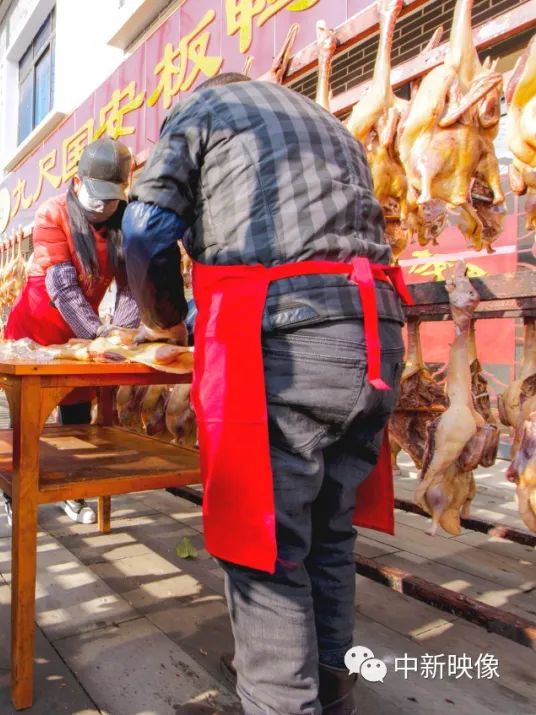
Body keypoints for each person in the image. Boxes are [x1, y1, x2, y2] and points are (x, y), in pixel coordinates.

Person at [122, 73, 409, 715]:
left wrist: (166, 319)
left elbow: (143, 229)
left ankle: (279, 699)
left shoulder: (200, 107)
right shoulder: (329, 122)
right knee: (329, 535)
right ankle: (330, 697)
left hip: (286, 342)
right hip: (375, 336)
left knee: (267, 548)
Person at [3, 137, 141, 525]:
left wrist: (121, 336)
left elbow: (130, 287)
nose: (102, 206)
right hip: (36, 331)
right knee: (28, 421)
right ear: (77, 181)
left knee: (78, 420)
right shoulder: (53, 213)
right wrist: (99, 334)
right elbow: (62, 287)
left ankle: (70, 490)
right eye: (96, 195)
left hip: (82, 337)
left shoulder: (124, 221)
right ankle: (15, 492)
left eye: (111, 198)